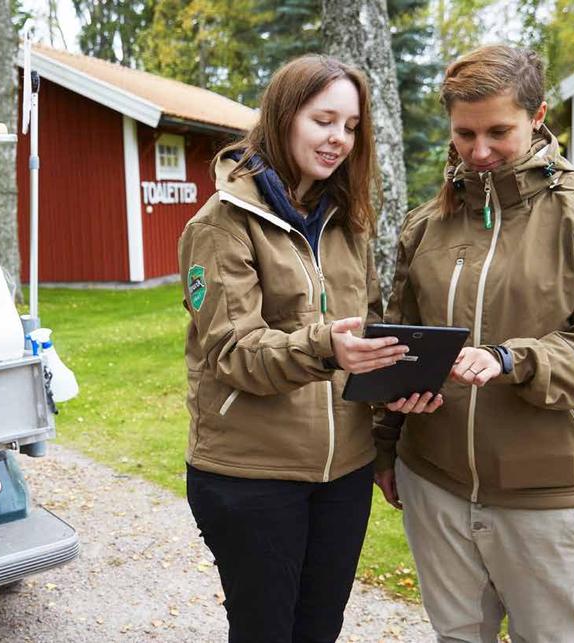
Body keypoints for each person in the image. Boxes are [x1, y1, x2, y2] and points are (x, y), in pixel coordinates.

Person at [373, 44, 574, 642]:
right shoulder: (426, 224)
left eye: (498, 131)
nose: (479, 151)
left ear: (538, 116)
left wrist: (515, 358)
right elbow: (401, 337)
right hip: (434, 481)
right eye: (464, 133)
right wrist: (387, 446)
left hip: (548, 493)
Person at [179, 54, 423, 643]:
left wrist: (394, 401)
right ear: (284, 116)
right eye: (324, 120)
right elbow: (234, 353)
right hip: (250, 474)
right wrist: (328, 348)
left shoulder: (346, 220)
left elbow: (364, 331)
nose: (339, 138)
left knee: (319, 630)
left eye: (351, 125)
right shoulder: (221, 225)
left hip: (344, 473)